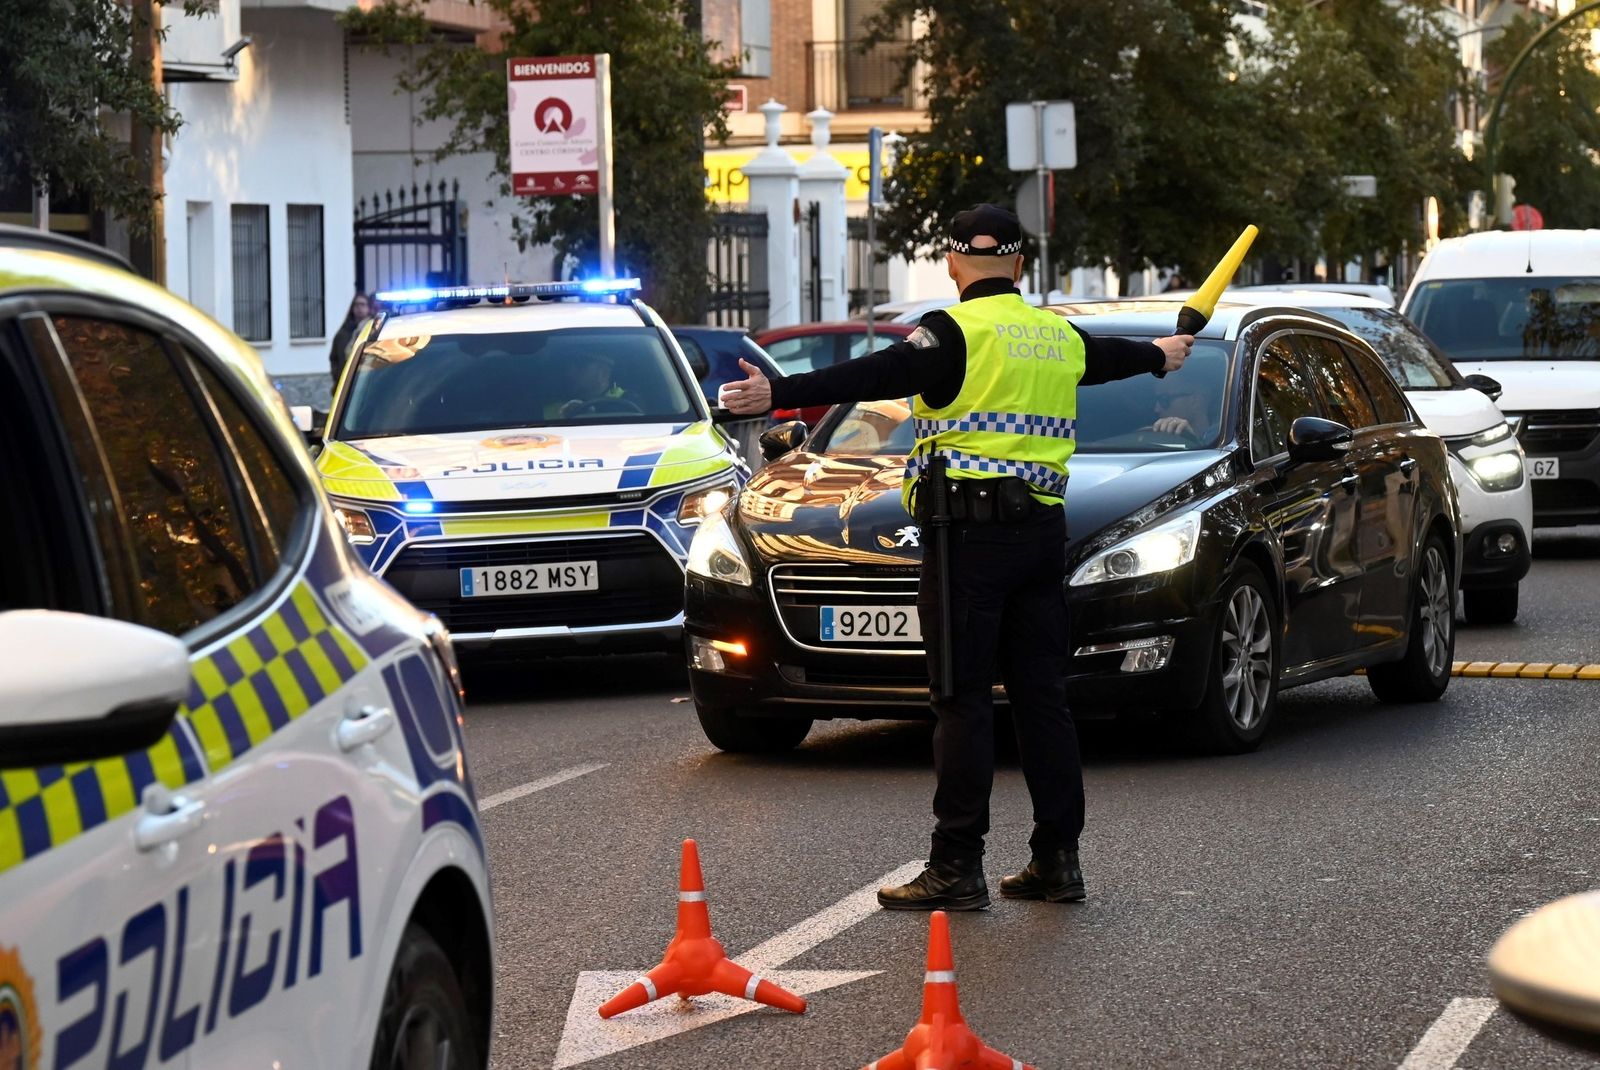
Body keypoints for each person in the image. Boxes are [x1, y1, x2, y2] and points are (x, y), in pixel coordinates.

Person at [719, 204, 1194, 911]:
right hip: (1041, 536)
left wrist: (776, 391)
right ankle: (1057, 861)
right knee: (1042, 701)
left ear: (952, 263)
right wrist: (1166, 352)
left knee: (961, 700)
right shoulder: (1053, 335)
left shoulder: (951, 331)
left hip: (967, 542)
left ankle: (957, 866)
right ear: (1022, 266)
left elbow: (873, 373)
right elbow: (1123, 356)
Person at [544, 352, 626, 419]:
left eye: (580, 366)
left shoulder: (629, 406)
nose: (569, 373)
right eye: (568, 366)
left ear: (604, 373)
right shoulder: (553, 411)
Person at [329, 293, 374, 388]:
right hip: (345, 384)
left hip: (366, 382)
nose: (359, 308)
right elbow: (334, 357)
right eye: (356, 305)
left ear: (369, 308)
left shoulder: (373, 330)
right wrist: (338, 376)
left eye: (363, 304)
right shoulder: (343, 333)